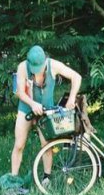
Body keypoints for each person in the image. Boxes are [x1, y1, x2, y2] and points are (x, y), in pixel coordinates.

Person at [10, 45, 82, 185]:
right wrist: (32, 104)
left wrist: (72, 98)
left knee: (46, 145)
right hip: (26, 108)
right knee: (19, 144)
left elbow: (76, 77)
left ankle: (46, 178)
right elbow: (20, 92)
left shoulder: (53, 65)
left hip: (47, 112)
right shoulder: (22, 67)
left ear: (45, 61)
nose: (37, 71)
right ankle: (13, 178)